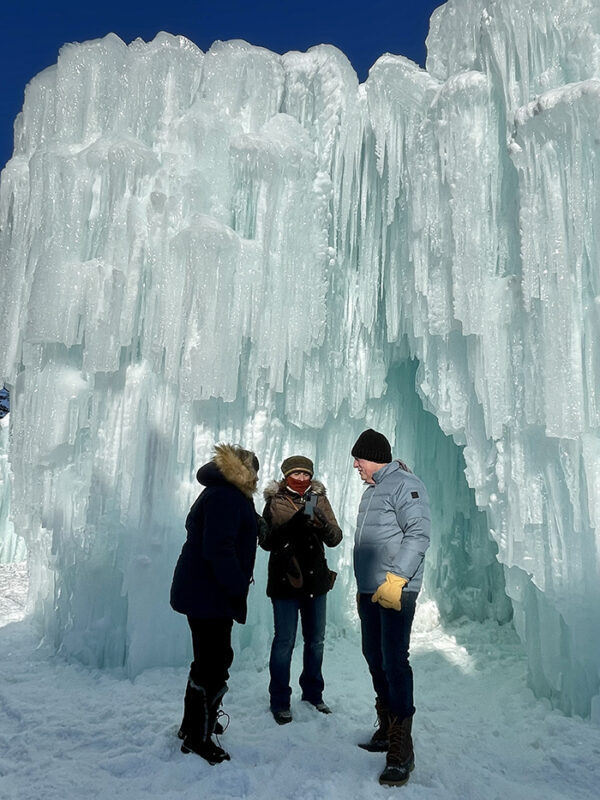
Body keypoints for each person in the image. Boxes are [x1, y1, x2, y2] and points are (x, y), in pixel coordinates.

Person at [170, 443, 261, 764]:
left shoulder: (225, 494)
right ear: (242, 471)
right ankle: (199, 736)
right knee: (214, 663)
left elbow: (235, 531)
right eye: (254, 471)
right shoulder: (225, 496)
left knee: (206, 660)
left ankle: (191, 725)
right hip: (209, 594)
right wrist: (237, 586)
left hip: (203, 592)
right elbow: (218, 548)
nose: (256, 478)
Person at [351, 429, 430, 788]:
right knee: (374, 655)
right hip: (370, 590)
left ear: (374, 457)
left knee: (395, 659)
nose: (356, 465)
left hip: (395, 589)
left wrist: (396, 580)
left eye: (360, 459)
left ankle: (402, 748)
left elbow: (418, 533)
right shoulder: (372, 492)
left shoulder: (404, 484)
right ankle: (386, 726)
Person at [260, 455, 342, 724]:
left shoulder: (318, 499)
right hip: (286, 581)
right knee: (284, 642)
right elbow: (267, 541)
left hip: (315, 581)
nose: (302, 479)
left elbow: (335, 537)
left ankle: (313, 695)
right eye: (297, 474)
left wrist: (321, 523)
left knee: (315, 641)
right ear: (286, 476)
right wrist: (296, 523)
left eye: (307, 475)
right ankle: (280, 701)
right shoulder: (275, 501)